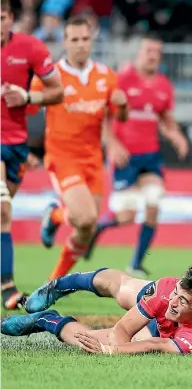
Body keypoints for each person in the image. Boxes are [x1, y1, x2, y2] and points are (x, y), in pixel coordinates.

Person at [80, 34, 190, 277]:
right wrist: (112, 143)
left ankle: (136, 263)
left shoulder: (163, 85)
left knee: (154, 201)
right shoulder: (120, 79)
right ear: (137, 53)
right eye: (148, 51)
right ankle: (98, 228)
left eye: (157, 52)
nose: (153, 56)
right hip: (125, 158)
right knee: (127, 215)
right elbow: (102, 116)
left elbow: (165, 118)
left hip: (150, 156)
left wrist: (176, 136)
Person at [33, 16, 128, 281]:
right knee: (84, 218)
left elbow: (119, 116)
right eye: (74, 39)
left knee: (87, 229)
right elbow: (26, 106)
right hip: (62, 157)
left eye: (85, 39)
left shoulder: (105, 75)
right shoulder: (51, 76)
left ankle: (52, 284)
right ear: (64, 42)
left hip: (93, 159)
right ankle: (55, 215)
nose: (80, 45)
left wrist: (123, 105)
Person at [2, 265, 192, 355]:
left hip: (167, 334)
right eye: (176, 293)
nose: (174, 301)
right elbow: (124, 328)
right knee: (123, 290)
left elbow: (155, 343)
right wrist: (115, 347)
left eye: (183, 301)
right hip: (167, 323)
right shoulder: (167, 291)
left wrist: (109, 349)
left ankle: (46, 320)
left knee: (88, 340)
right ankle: (59, 285)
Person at [0, 0, 64, 309]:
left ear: (10, 19)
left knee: (3, 207)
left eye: (0, 19)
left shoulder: (30, 48)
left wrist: (27, 98)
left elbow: (57, 91)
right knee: (2, 210)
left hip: (16, 145)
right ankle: (7, 287)